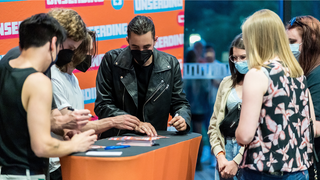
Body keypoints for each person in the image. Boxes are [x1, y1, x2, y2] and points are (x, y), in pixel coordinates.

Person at [0, 13, 97, 180]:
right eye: (63, 48)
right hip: (28, 173)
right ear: (53, 43)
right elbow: (42, 146)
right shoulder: (39, 81)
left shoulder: (6, 65)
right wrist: (75, 145)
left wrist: (63, 127)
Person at [235, 9, 320, 180]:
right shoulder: (298, 73)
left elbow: (244, 135)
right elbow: (312, 128)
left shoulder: (257, 74)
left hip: (264, 171)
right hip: (299, 171)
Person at [94, 15, 191, 138]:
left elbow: (180, 103)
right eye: (135, 47)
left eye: (146, 47)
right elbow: (102, 105)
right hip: (118, 139)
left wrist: (182, 118)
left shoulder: (170, 64)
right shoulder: (112, 61)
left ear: (155, 40)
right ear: (127, 41)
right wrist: (135, 124)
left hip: (155, 138)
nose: (141, 51)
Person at [286, 15, 320, 180]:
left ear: (310, 42)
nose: (287, 48)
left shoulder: (317, 75)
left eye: (292, 42)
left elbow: (317, 127)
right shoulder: (305, 73)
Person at [207, 34, 245, 180]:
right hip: (226, 148)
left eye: (243, 57)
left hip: (248, 154)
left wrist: (237, 160)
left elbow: (259, 129)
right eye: (234, 58)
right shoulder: (226, 82)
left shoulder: (261, 82)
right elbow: (214, 124)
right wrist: (220, 156)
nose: (238, 62)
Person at [184, 49, 210, 171]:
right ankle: (197, 162)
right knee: (198, 135)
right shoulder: (199, 69)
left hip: (189, 107)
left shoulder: (186, 69)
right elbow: (206, 88)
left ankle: (193, 162)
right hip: (197, 107)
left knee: (189, 136)